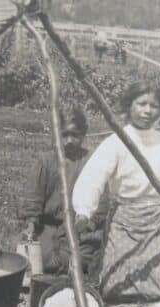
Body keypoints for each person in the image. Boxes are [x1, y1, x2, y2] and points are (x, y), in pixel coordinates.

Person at [72, 81, 160, 302]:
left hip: (158, 223)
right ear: (129, 106)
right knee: (113, 286)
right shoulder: (115, 142)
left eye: (153, 106)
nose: (147, 111)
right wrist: (84, 211)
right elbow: (94, 176)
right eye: (141, 103)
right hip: (125, 222)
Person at [21, 107, 107, 275]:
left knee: (79, 262)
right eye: (64, 135)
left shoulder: (91, 162)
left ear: (84, 134)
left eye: (75, 135)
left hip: (79, 229)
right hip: (48, 227)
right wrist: (31, 223)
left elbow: (103, 201)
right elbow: (33, 198)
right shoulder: (45, 162)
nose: (69, 141)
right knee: (39, 263)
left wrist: (89, 224)